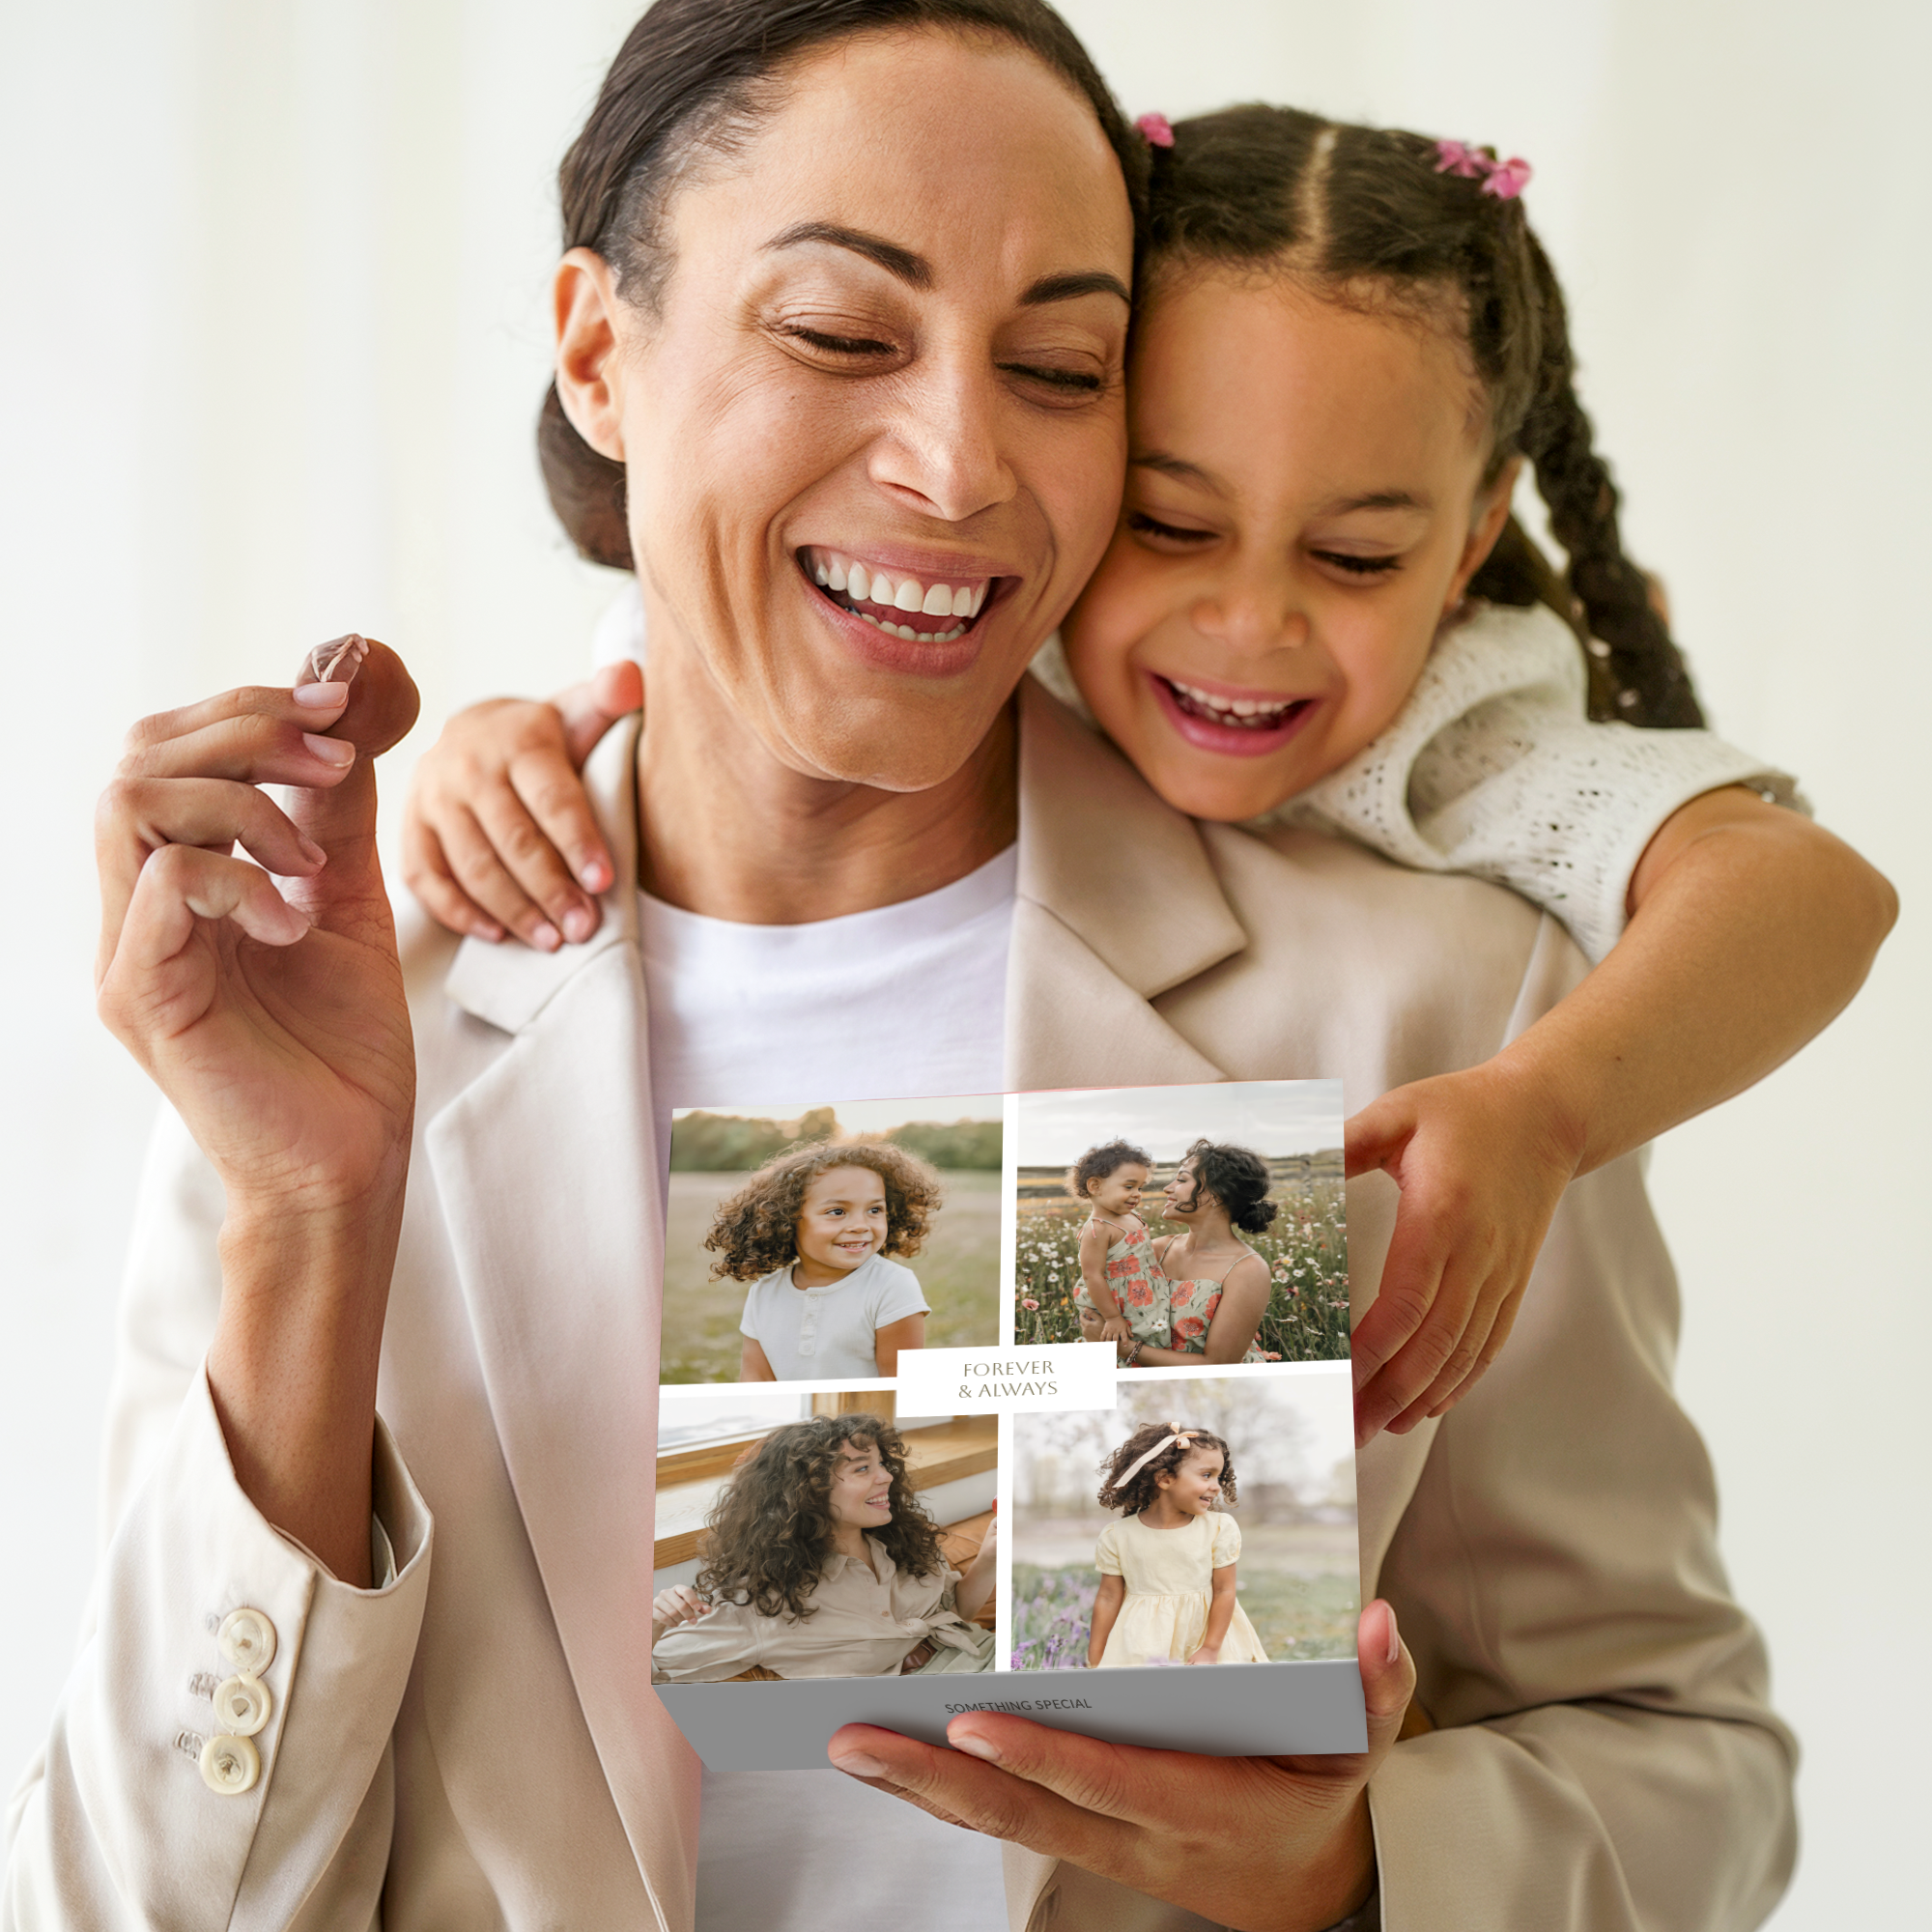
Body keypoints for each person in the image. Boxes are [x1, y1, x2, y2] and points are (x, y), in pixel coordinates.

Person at [14, 6, 1828, 1930]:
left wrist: (1358, 1869)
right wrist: (307, 1213)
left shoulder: (1437, 1010)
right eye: (838, 333)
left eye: (1059, 363)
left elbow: (1685, 1756)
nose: (961, 463)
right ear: (597, 350)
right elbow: (127, 1904)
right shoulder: (336, 1015)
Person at [410, 106, 1899, 1440]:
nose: (1250, 627)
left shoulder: (1454, 734)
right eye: (1169, 525)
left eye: (1358, 556)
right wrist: (496, 741)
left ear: (1469, 542)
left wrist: (1545, 1106)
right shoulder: (978, 592)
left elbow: (1812, 885)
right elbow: (678, 659)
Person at [651, 1415, 995, 1679]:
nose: (887, 1477)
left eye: (881, 1465)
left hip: (995, 1654)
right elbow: (652, 1672)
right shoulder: (759, 1606)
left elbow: (957, 1613)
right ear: (807, 1491)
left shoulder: (902, 1542)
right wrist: (653, 1620)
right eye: (863, 1468)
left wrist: (992, 1554)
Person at [705, 1142, 938, 1381]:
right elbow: (756, 1381)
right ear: (785, 1219)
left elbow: (900, 1387)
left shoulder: (891, 1285)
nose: (860, 1225)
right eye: (837, 1211)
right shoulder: (764, 1292)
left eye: (875, 1209)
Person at [1085, 1424, 1267, 1669]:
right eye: (1206, 1475)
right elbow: (1108, 1598)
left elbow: (1225, 1591)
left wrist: (1210, 1648)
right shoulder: (1118, 1535)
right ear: (1165, 1479)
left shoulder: (1218, 1528)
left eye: (1218, 1476)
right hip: (1142, 1644)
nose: (1216, 1486)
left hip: (1205, 1641)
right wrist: (1096, 1657)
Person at [1099, 1141, 1276, 1368]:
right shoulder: (1155, 1250)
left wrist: (1122, 1347)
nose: (1168, 1188)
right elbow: (1096, 1307)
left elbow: (1218, 1363)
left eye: (1182, 1180)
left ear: (1217, 1195)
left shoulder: (1247, 1270)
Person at [1065, 1139, 1164, 1350]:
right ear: (1095, 1186)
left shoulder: (1132, 1216)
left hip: (1145, 1292)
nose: (1137, 1194)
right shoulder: (1097, 1230)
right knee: (1125, 1338)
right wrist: (1112, 1317)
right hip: (1118, 1302)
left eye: (1140, 1187)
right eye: (1129, 1186)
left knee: (1154, 1335)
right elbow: (1092, 1276)